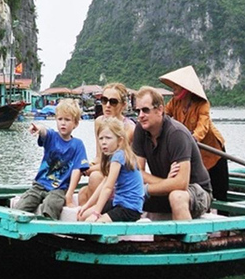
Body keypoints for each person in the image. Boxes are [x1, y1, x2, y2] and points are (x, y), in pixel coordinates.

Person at [132, 86, 213, 220]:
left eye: (145, 110)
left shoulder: (176, 134)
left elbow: (181, 183)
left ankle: (189, 239)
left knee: (177, 196)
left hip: (196, 191)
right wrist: (167, 182)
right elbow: (136, 172)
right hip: (166, 188)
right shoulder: (140, 130)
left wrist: (147, 189)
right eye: (138, 111)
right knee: (121, 193)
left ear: (159, 110)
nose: (141, 116)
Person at [159, 65, 229, 201]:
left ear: (185, 88)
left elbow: (203, 126)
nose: (173, 89)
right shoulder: (175, 103)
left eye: (177, 86)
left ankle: (224, 217)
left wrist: (193, 139)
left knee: (219, 190)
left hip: (213, 150)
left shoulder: (202, 104)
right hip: (193, 152)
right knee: (196, 186)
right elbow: (164, 116)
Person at [15, 98, 90, 219]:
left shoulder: (77, 144)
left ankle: (47, 227)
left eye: (67, 119)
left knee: (52, 204)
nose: (63, 123)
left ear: (75, 123)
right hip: (40, 184)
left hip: (59, 188)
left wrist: (69, 195)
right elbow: (44, 132)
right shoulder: (52, 136)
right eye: (60, 119)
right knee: (24, 203)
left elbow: (77, 171)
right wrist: (39, 129)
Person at [75, 117, 145, 222]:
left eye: (108, 138)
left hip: (129, 208)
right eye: (101, 138)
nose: (103, 142)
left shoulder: (119, 156)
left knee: (94, 222)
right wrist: (87, 205)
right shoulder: (113, 156)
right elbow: (103, 183)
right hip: (118, 203)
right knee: (83, 216)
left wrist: (96, 213)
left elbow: (108, 187)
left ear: (120, 140)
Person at [78, 82, 136, 204]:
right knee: (82, 193)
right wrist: (88, 165)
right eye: (104, 100)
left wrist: (91, 169)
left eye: (113, 102)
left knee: (94, 177)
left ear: (123, 105)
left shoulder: (128, 128)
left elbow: (116, 164)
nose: (107, 105)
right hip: (105, 168)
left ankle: (98, 213)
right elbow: (100, 156)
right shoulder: (99, 122)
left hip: (120, 174)